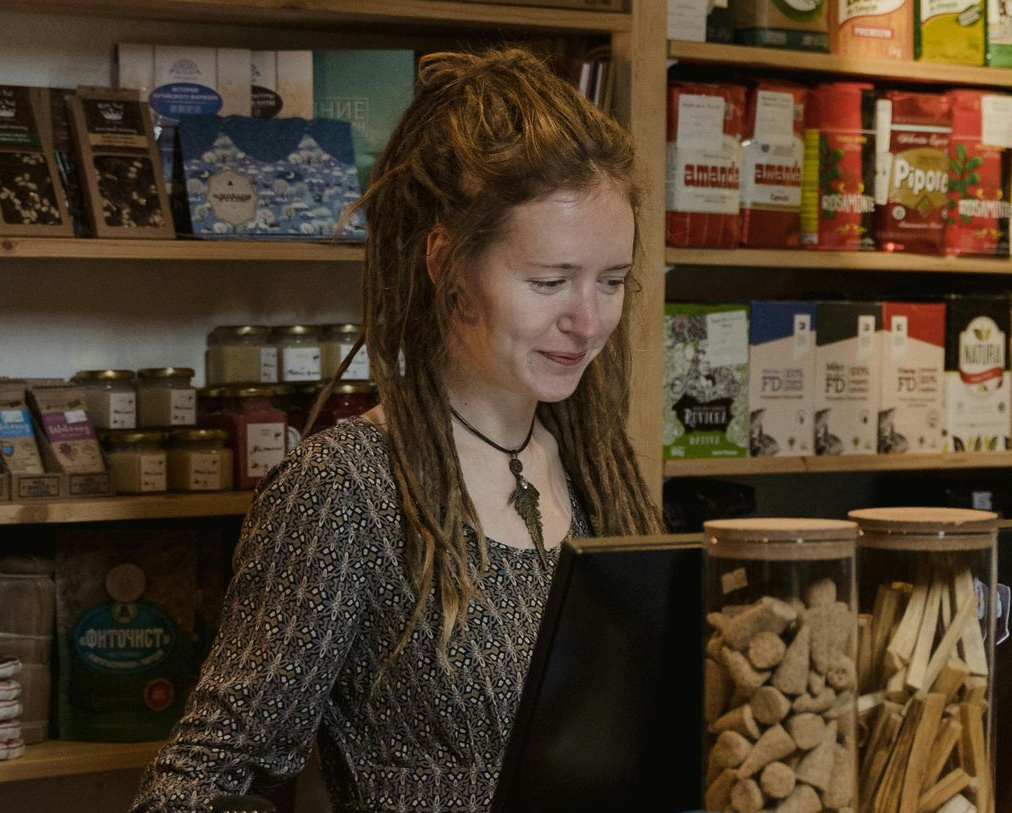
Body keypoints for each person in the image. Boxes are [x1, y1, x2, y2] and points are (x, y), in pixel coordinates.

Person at [131, 47, 662, 813]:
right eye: (548, 281)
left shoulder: (594, 465)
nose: (587, 320)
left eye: (611, 281)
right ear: (447, 263)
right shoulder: (345, 489)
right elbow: (187, 792)